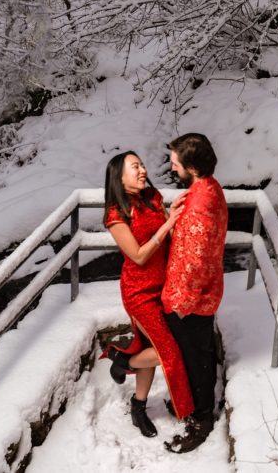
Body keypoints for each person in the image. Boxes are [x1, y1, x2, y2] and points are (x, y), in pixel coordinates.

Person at [100, 151, 195, 438]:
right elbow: (139, 256)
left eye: (142, 164)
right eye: (135, 167)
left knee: (151, 346)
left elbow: (165, 230)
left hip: (164, 286)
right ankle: (123, 361)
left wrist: (171, 212)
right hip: (139, 292)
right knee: (168, 352)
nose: (143, 170)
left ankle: (138, 405)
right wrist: (168, 223)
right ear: (119, 176)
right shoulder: (115, 213)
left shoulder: (152, 196)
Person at [161, 133, 228, 454]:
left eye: (176, 163)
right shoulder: (206, 189)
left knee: (196, 360)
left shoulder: (203, 202)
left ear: (190, 165)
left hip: (191, 300)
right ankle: (189, 405)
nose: (173, 168)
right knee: (193, 356)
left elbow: (198, 258)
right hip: (192, 294)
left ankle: (201, 420)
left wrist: (183, 304)